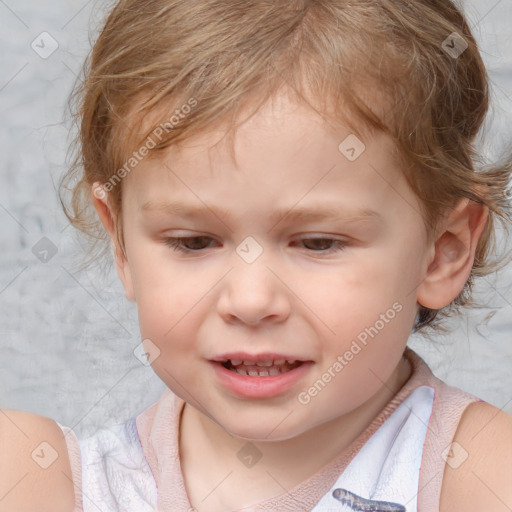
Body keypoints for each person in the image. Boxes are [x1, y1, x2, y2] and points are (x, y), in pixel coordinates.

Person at [2, 0, 512, 511]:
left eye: (318, 243)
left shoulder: (480, 475)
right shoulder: (43, 481)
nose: (250, 300)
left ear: (442, 253)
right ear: (123, 246)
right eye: (193, 242)